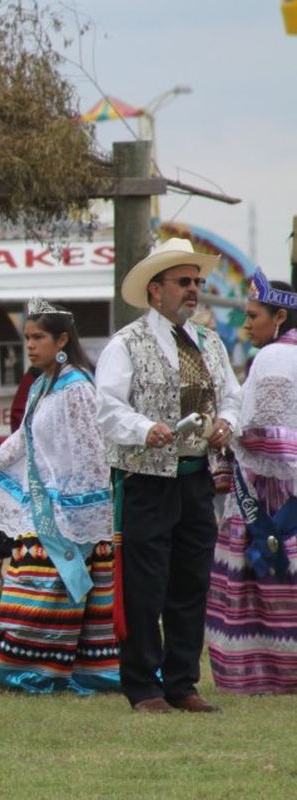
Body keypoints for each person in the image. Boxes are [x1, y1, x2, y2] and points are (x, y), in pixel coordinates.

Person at [95, 238, 240, 714]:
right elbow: (108, 408)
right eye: (184, 282)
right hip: (146, 479)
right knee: (145, 584)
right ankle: (143, 686)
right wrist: (145, 428)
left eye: (197, 282)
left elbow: (234, 397)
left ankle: (182, 682)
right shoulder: (127, 343)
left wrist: (227, 424)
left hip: (196, 476)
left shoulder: (211, 342)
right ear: (156, 290)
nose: (194, 290)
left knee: (190, 581)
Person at [0, 300, 118, 694]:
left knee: (51, 592)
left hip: (72, 513)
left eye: (38, 337)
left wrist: (79, 513)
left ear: (62, 339)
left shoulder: (78, 387)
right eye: (27, 338)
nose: (30, 345)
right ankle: (14, 670)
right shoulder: (41, 386)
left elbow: (91, 454)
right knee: (28, 587)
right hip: (45, 506)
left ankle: (43, 672)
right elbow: (24, 439)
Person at [206, 273, 297, 693]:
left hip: (271, 497)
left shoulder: (275, 358)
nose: (246, 324)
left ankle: (266, 672)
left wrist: (230, 432)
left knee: (265, 584)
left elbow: (273, 433)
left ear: (280, 315)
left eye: (253, 315)